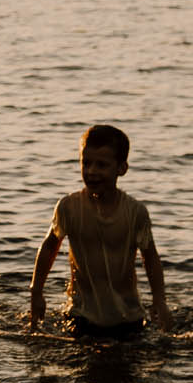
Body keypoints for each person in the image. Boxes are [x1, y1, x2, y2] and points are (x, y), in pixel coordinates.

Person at [28, 123, 170, 341]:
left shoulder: (135, 212)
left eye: (102, 165)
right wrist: (36, 291)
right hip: (80, 316)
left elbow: (150, 257)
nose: (92, 171)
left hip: (128, 317)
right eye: (86, 163)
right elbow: (49, 246)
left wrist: (160, 302)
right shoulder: (69, 207)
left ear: (121, 168)